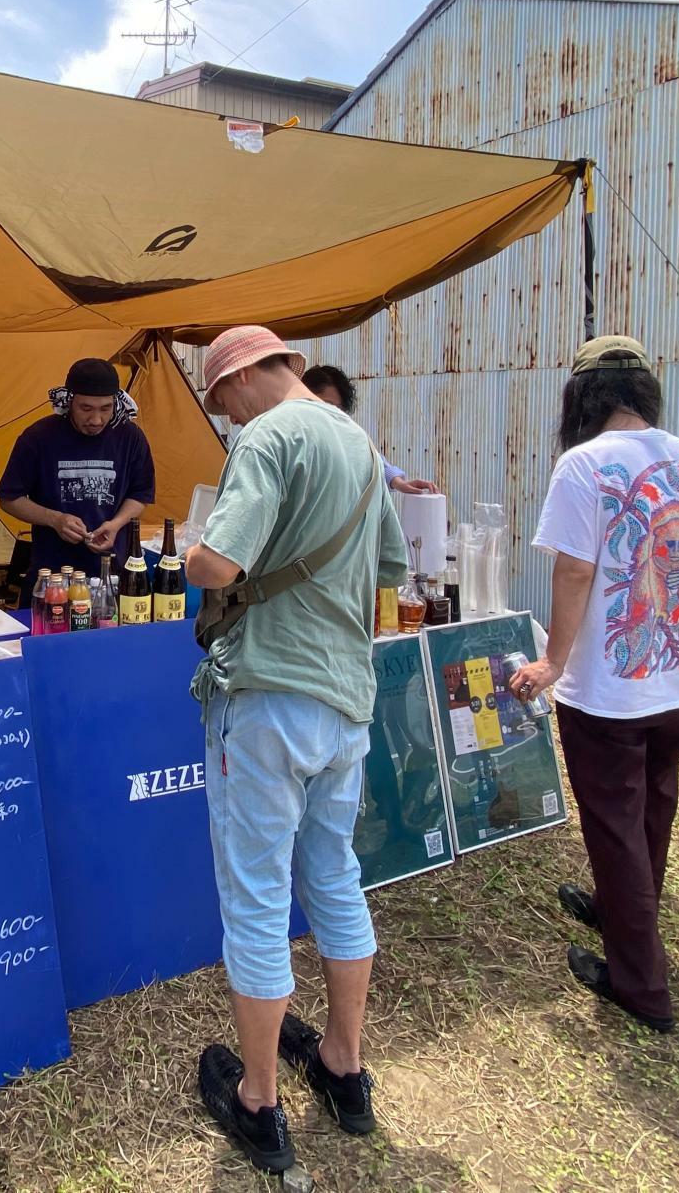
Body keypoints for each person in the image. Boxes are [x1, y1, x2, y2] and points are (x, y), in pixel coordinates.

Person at [182, 326, 410, 1173]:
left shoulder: (268, 435)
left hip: (269, 695)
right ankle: (346, 1068)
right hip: (345, 699)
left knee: (254, 896)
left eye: (218, 399)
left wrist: (192, 553)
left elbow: (219, 563)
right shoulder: (357, 438)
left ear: (242, 375)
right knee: (335, 877)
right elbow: (390, 561)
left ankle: (260, 1100)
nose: (222, 415)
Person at [509, 336, 679, 1034]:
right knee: (654, 808)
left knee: (614, 826)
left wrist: (554, 662)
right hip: (677, 677)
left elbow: (573, 572)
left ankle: (641, 985)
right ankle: (627, 910)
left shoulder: (583, 463)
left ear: (579, 398)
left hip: (609, 686)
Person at [0, 358, 155, 580]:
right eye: (86, 408)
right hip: (52, 575)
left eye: (106, 408)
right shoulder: (38, 437)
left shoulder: (131, 437)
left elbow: (140, 494)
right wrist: (55, 519)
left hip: (114, 570)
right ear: (70, 401)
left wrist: (116, 524)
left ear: (116, 403)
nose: (96, 419)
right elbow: (9, 498)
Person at [302, 363, 437, 496]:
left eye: (337, 409)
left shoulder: (342, 436)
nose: (330, 414)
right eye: (324, 405)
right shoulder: (291, 438)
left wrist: (398, 482)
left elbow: (369, 458)